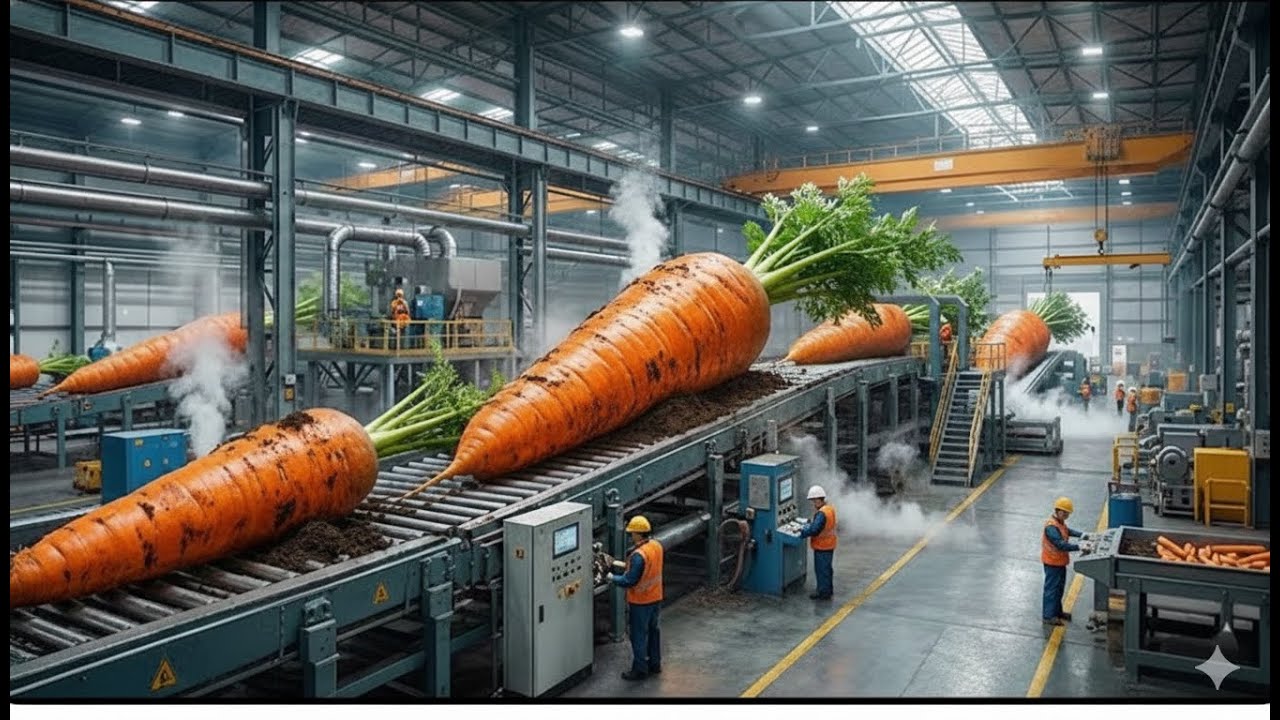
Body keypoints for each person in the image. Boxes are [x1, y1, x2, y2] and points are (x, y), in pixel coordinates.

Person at [606, 515, 664, 681]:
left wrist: (611, 578)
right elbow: (646, 569)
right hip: (656, 597)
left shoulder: (638, 555)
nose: (631, 536)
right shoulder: (656, 546)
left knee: (638, 635)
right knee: (654, 631)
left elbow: (629, 580)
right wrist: (618, 564)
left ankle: (639, 669)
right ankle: (655, 664)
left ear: (639, 534)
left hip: (641, 602)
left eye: (632, 533)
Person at [1042, 496, 1086, 626]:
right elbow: (1060, 544)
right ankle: (1048, 616)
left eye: (1068, 513)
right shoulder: (1051, 527)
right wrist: (1079, 546)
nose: (1067, 515)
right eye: (1065, 513)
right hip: (1052, 563)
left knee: (1059, 588)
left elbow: (1067, 531)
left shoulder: (1060, 523)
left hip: (1060, 562)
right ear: (1058, 511)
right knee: (1051, 589)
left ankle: (1057, 612)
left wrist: (1082, 535)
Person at [797, 485, 837, 600]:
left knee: (822, 570)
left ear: (818, 500)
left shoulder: (821, 514)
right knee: (827, 569)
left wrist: (802, 531)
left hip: (822, 546)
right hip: (830, 544)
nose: (813, 504)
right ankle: (828, 590)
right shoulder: (829, 509)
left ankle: (823, 593)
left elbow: (815, 530)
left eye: (813, 501)